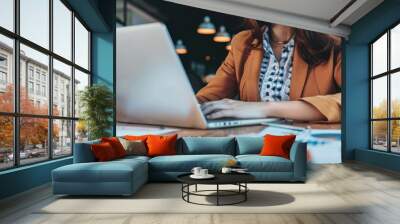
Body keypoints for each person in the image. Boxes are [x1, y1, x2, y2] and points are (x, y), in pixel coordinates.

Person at [196, 20, 342, 123]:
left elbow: (353, 101)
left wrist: (264, 108)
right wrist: (183, 108)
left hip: (309, 145)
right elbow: (208, 98)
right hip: (254, 144)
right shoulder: (243, 42)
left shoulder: (332, 43)